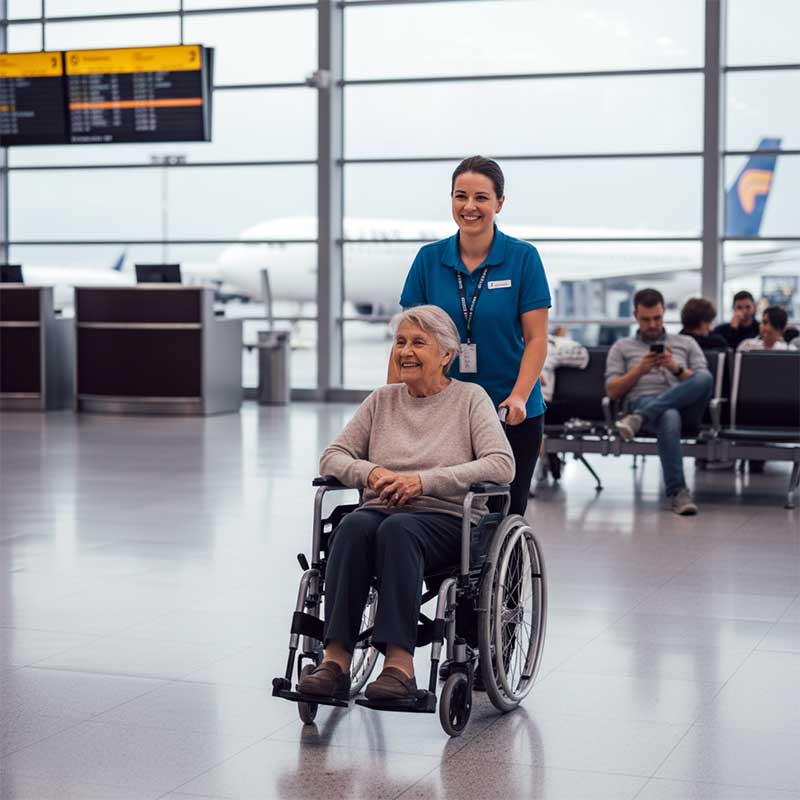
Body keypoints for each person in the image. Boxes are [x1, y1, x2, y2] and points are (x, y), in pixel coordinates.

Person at [299, 305, 514, 702]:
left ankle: (399, 667)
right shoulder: (382, 400)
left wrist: (423, 481)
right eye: (400, 342)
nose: (405, 352)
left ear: (446, 355)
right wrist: (371, 473)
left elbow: (501, 463)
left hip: (445, 518)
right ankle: (335, 661)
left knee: (398, 530)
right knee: (352, 527)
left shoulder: (470, 399)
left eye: (418, 343)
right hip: (380, 510)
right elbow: (332, 456)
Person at [394, 156, 550, 517]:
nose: (469, 206)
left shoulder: (523, 258)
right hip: (443, 409)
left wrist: (519, 396)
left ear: (499, 203)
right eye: (460, 196)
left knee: (503, 512)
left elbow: (537, 339)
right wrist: (394, 399)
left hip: (509, 410)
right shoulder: (429, 260)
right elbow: (406, 340)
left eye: (481, 197)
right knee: (440, 512)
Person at [606, 288, 713, 515]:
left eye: (657, 318)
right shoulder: (621, 347)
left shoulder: (686, 343)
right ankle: (678, 492)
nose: (653, 324)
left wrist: (675, 368)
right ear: (635, 316)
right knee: (668, 415)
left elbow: (702, 383)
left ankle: (638, 419)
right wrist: (640, 370)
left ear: (664, 313)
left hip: (686, 408)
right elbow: (612, 391)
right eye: (646, 320)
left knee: (704, 377)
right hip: (643, 401)